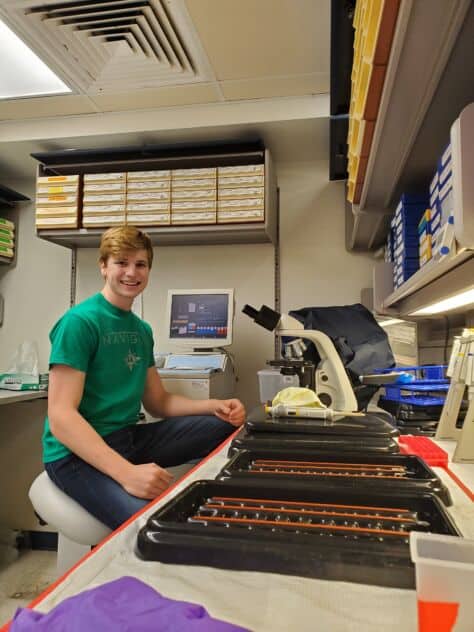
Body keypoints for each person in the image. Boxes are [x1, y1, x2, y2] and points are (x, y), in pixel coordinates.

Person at [43, 225, 246, 530]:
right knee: (152, 524)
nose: (131, 272)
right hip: (74, 454)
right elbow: (60, 417)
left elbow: (159, 402)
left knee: (226, 426)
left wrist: (215, 405)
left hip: (126, 438)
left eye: (140, 264)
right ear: (103, 267)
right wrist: (127, 474)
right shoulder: (80, 323)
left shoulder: (141, 330)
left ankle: (207, 507)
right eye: (121, 263)